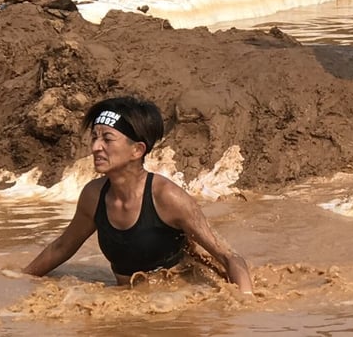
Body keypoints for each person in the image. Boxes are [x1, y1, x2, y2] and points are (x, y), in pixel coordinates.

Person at [23, 96, 254, 293]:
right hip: (128, 300)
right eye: (94, 137)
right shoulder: (93, 196)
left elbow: (229, 258)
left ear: (137, 150)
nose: (95, 147)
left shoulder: (168, 198)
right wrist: (19, 279)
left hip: (179, 302)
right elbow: (62, 247)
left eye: (107, 139)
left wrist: (243, 306)